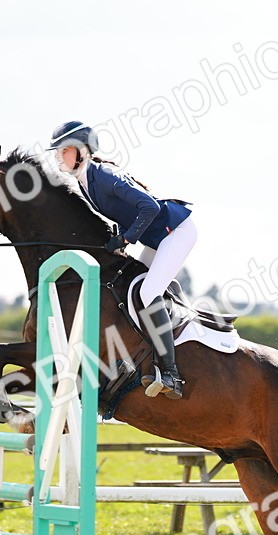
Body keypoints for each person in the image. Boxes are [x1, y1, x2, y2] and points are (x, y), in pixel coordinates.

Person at [47, 121, 196, 400]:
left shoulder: (102, 175)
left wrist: (126, 239)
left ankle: (172, 373)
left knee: (147, 291)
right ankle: (168, 307)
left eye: (63, 150)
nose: (57, 156)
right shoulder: (85, 182)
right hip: (157, 238)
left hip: (176, 232)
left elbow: (149, 206)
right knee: (136, 285)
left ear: (81, 151)